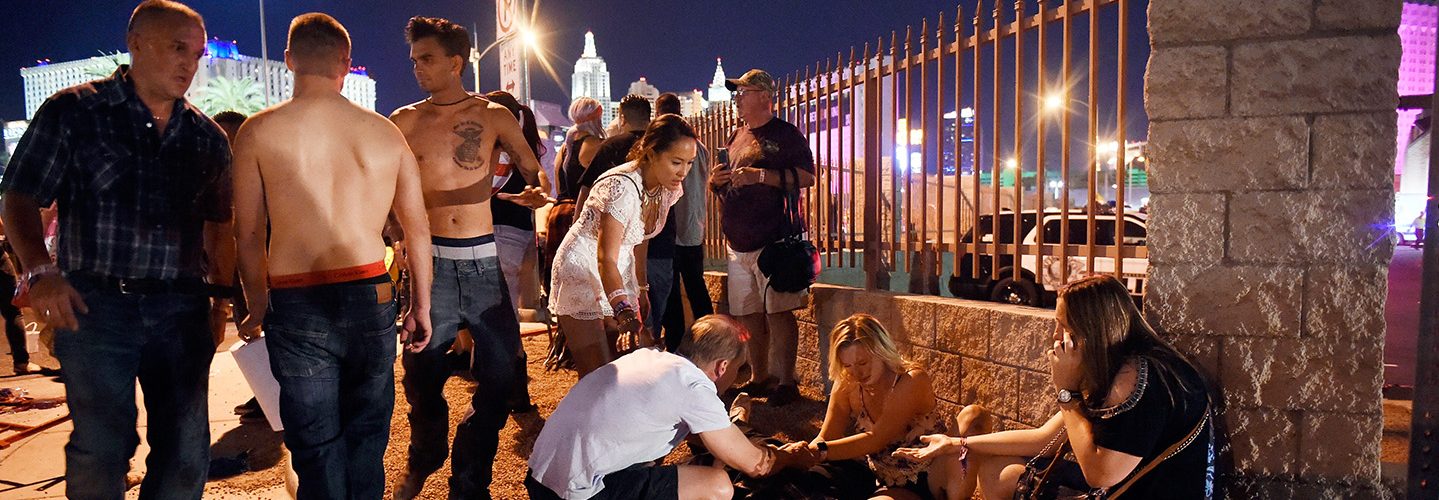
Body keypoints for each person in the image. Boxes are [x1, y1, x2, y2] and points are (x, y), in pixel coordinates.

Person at [0, 2, 232, 496]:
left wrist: (218, 297)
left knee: (187, 450)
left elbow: (218, 222)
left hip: (180, 310)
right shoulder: (76, 111)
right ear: (137, 43)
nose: (188, 64)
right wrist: (40, 271)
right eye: (176, 48)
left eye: (196, 53)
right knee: (103, 446)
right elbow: (18, 195)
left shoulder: (206, 136)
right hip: (97, 305)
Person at [231, 13, 434, 499]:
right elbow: (417, 227)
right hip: (369, 290)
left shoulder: (258, 133)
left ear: (288, 61)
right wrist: (421, 305)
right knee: (367, 435)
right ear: (346, 63)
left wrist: (256, 303)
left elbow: (248, 232)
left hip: (295, 296)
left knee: (315, 440)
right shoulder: (385, 133)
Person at [388, 16, 548, 499]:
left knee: (500, 374)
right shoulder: (403, 121)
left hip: (482, 262)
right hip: (429, 265)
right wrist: (393, 231)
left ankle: (470, 478)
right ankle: (425, 457)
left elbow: (532, 171)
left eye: (427, 59)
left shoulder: (494, 116)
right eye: (414, 59)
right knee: (421, 375)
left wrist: (536, 194)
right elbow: (385, 187)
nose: (417, 67)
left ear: (456, 63)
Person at [895, 275, 1214, 499]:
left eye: (1063, 326)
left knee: (1006, 476)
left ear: (1091, 329)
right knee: (997, 466)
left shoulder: (1137, 378)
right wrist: (955, 444)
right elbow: (1043, 438)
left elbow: (1101, 475)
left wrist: (1067, 392)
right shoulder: (1121, 364)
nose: (1055, 336)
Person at [526, 314, 815, 500]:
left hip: (540, 479)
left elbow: (707, 440)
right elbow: (756, 464)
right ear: (723, 366)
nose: (734, 376)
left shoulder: (649, 358)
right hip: (576, 493)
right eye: (738, 369)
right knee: (718, 486)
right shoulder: (693, 386)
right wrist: (788, 457)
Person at [549, 114, 694, 376]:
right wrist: (624, 313)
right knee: (598, 374)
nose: (683, 171)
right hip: (583, 265)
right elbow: (605, 257)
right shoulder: (622, 187)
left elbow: (640, 239)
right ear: (651, 153)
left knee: (631, 363)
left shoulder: (665, 187)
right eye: (676, 162)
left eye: (689, 163)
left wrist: (640, 286)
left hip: (618, 265)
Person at [709, 69, 816, 406]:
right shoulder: (735, 136)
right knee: (748, 314)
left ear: (764, 96)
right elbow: (722, 185)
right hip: (738, 243)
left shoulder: (786, 134)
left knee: (779, 313)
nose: (737, 98)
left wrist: (762, 175)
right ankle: (759, 377)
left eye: (744, 91)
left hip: (775, 240)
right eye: (737, 92)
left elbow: (808, 176)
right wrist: (716, 180)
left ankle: (786, 382)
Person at [779, 314, 965, 499]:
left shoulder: (910, 380)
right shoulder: (847, 383)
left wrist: (817, 452)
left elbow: (876, 439)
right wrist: (799, 456)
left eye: (863, 362)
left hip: (931, 474)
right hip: (884, 478)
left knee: (974, 415)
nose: (857, 372)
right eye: (848, 365)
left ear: (882, 351)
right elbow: (827, 436)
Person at [482, 89, 542, 415]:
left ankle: (509, 390)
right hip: (515, 235)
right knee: (503, 312)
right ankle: (511, 389)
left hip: (499, 234)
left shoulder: (502, 150)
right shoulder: (524, 146)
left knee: (499, 313)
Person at [653, 94, 713, 351]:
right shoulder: (699, 147)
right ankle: (710, 341)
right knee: (697, 287)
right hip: (693, 228)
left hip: (670, 229)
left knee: (672, 292)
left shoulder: (666, 145)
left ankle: (676, 343)